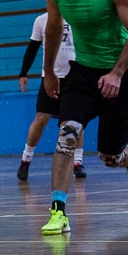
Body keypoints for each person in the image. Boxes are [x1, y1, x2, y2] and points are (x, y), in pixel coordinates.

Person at [40, 0, 128, 236]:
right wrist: (49, 72)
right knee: (67, 136)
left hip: (119, 72)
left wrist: (116, 74)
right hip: (83, 73)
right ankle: (58, 212)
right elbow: (52, 31)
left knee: (109, 156)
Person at [17, 13, 86, 181]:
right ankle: (26, 159)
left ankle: (77, 162)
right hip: (50, 76)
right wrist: (23, 73)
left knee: (75, 121)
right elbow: (33, 47)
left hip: (74, 77)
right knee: (41, 117)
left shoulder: (75, 16)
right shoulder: (41, 20)